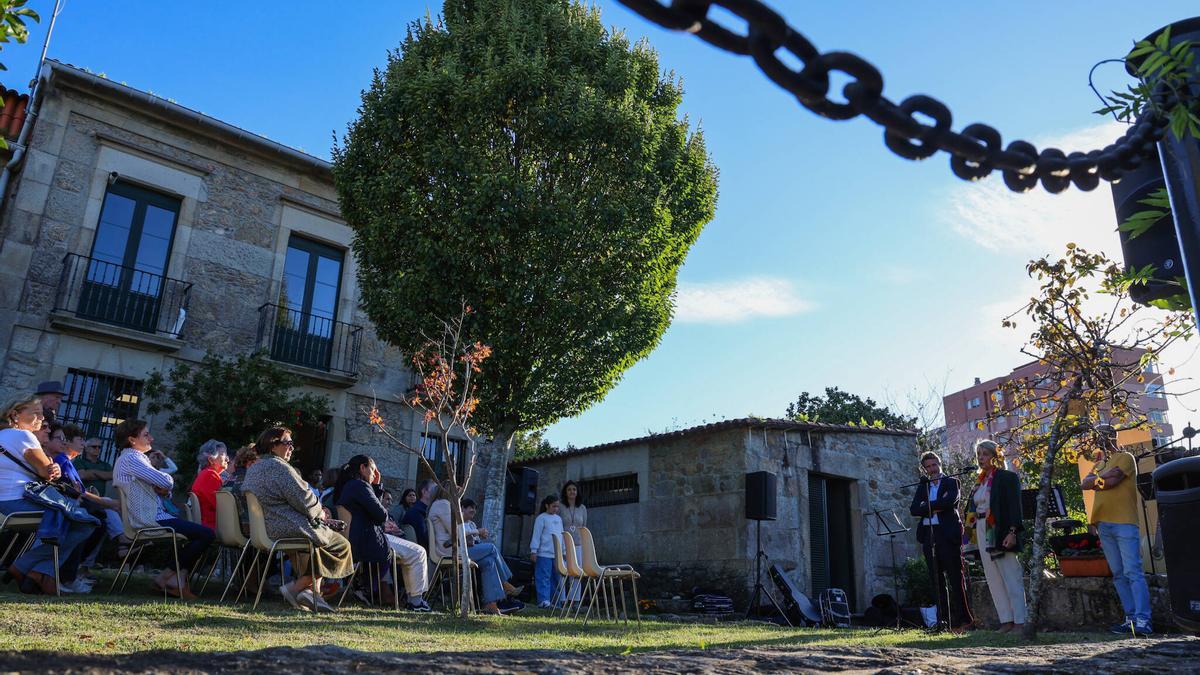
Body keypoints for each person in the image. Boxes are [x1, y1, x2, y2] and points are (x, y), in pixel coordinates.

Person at [242, 426, 353, 613]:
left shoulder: (255, 467)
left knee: (315, 541)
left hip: (267, 527)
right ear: (272, 445)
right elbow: (306, 500)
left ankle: (312, 595)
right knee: (341, 545)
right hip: (284, 526)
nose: (292, 448)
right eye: (288, 443)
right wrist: (322, 513)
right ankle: (296, 588)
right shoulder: (280, 467)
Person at [0, 395, 97, 595]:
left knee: (68, 519)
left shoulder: (3, 436)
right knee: (85, 522)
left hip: (6, 504)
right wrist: (54, 470)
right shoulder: (24, 436)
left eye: (41, 414)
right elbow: (48, 473)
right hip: (20, 501)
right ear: (15, 415)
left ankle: (41, 574)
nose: (40, 418)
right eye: (34, 413)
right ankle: (26, 567)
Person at [113, 419, 213, 599]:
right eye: (146, 434)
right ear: (132, 439)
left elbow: (159, 489)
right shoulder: (132, 458)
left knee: (197, 534)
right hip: (150, 518)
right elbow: (166, 481)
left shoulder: (130, 458)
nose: (151, 438)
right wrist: (165, 485)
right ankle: (167, 578)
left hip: (150, 515)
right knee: (206, 534)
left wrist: (163, 488)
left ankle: (173, 579)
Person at [333, 455, 431, 612]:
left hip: (358, 539)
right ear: (362, 468)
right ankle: (416, 602)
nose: (374, 474)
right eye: (372, 469)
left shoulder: (348, 486)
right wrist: (376, 486)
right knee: (418, 552)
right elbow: (381, 515)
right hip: (367, 540)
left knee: (412, 553)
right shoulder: (360, 486)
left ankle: (412, 599)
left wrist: (376, 487)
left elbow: (373, 512)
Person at [1083, 426, 1152, 637]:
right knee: (1119, 574)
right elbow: (1085, 483)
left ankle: (1144, 620)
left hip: (1124, 521)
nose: (1101, 440)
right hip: (1103, 523)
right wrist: (1103, 476)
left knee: (1133, 571)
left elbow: (1112, 483)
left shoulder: (1125, 457)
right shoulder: (1100, 463)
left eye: (1104, 436)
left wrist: (1099, 480)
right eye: (1098, 437)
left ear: (1113, 437)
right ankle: (1130, 620)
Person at [965, 439, 1026, 632]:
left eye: (984, 454)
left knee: (1011, 575)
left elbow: (1015, 508)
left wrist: (1012, 532)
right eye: (979, 455)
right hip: (982, 530)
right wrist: (968, 537)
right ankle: (1006, 620)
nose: (981, 458)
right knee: (993, 577)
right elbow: (972, 510)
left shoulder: (1007, 477)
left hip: (999, 529)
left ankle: (1021, 621)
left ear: (995, 455)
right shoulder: (979, 482)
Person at [430, 489, 523, 614]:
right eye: (457, 492)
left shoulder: (444, 505)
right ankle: (505, 584)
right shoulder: (443, 504)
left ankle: (491, 604)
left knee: (489, 561)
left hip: (457, 548)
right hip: (450, 551)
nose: (460, 495)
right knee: (491, 548)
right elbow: (456, 532)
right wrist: (477, 531)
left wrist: (475, 533)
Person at [909, 450, 974, 632]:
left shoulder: (952, 482)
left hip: (947, 534)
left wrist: (927, 507)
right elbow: (914, 509)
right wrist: (935, 507)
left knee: (955, 578)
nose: (932, 469)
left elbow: (949, 503)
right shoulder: (923, 486)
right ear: (924, 469)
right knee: (936, 580)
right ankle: (942, 622)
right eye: (928, 467)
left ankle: (965, 620)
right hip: (929, 534)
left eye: (934, 465)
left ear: (940, 463)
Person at [529, 494, 563, 608]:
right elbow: (536, 535)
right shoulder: (541, 518)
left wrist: (563, 551)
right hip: (543, 554)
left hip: (556, 554)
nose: (556, 509)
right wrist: (534, 550)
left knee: (555, 579)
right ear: (547, 505)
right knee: (544, 577)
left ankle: (555, 602)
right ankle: (544, 601)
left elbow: (561, 536)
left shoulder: (559, 519)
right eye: (554, 506)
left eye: (557, 507)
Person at [190, 440, 228, 529]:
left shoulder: (205, 474)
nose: (227, 459)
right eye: (223, 454)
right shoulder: (210, 475)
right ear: (211, 459)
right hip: (214, 526)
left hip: (207, 524)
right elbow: (223, 507)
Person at [560, 480, 587, 601]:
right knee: (563, 573)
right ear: (565, 492)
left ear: (577, 492)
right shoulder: (560, 506)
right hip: (564, 544)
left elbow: (584, 527)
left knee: (577, 573)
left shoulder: (582, 508)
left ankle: (575, 600)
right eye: (569, 489)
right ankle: (562, 600)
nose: (572, 491)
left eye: (574, 489)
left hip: (578, 545)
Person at [401, 479, 437, 549]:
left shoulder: (418, 509)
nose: (437, 492)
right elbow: (423, 539)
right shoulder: (418, 512)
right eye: (434, 489)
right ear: (424, 492)